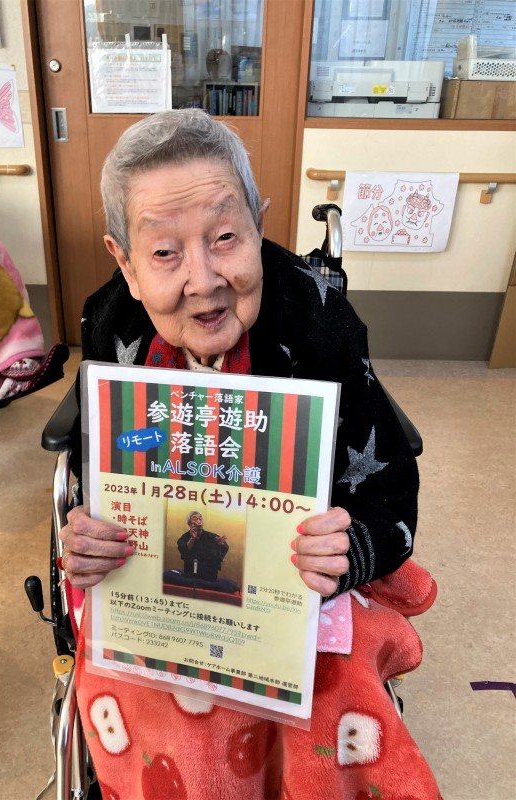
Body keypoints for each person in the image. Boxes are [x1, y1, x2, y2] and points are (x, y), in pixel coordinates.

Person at [58, 109, 440, 799]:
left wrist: (347, 548)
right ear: (125, 263)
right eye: (164, 252)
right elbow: (100, 475)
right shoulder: (110, 323)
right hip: (162, 584)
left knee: (331, 694)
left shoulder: (321, 323)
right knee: (126, 680)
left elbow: (389, 494)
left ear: (259, 225)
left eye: (225, 237)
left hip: (298, 574)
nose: (203, 279)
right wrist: (88, 528)